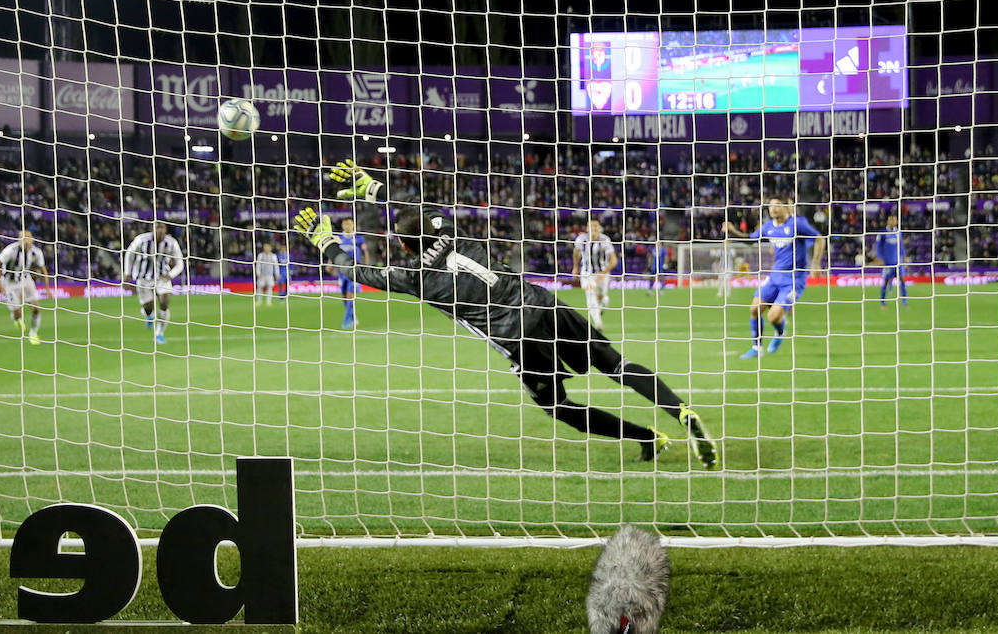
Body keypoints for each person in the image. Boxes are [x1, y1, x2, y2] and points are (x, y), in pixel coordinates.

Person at [294, 159, 717, 467]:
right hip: (542, 303)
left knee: (559, 406)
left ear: (404, 247)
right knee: (617, 364)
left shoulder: (413, 276)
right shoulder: (452, 231)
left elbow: (354, 269)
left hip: (517, 337)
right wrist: (372, 188)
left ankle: (647, 436)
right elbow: (417, 203)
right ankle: (679, 413)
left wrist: (324, 239)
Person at [727, 199, 826, 359]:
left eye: (777, 204)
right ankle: (756, 347)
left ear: (786, 208)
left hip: (794, 279)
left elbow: (819, 238)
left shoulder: (797, 224)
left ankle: (780, 332)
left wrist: (815, 263)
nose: (773, 208)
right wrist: (732, 231)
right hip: (775, 276)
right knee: (754, 308)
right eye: (771, 205)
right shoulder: (768, 227)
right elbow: (751, 240)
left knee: (773, 317)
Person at [123, 220, 184, 345]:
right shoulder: (141, 240)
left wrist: (170, 275)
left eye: (162, 227)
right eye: (157, 227)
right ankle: (148, 315)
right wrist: (127, 272)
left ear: (165, 229)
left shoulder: (172, 243)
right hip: (143, 278)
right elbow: (129, 254)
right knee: (149, 308)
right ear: (152, 228)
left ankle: (159, 334)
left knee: (164, 303)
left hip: (162, 278)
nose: (160, 230)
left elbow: (180, 263)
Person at [0, 229, 50, 344]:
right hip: (9, 282)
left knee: (36, 308)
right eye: (23, 238)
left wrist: (47, 288)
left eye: (28, 238)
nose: (26, 241)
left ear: (32, 239)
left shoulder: (36, 252)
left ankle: (33, 333)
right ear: (19, 240)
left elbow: (43, 271)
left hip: (26, 279)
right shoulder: (10, 250)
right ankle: (16, 318)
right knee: (17, 313)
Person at [573, 219, 618, 330]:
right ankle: (598, 323)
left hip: (602, 272)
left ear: (600, 228)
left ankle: (603, 303)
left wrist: (603, 273)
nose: (593, 228)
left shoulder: (605, 240)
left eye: (595, 225)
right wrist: (575, 267)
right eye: (590, 225)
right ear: (587, 228)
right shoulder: (581, 239)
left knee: (601, 297)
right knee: (590, 293)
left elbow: (613, 261)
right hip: (586, 272)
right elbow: (576, 252)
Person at [337, 217, 367, 328]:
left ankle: (346, 321)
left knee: (350, 295)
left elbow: (365, 252)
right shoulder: (339, 238)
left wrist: (365, 266)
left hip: (354, 270)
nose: (347, 226)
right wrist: (330, 263)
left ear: (353, 225)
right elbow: (335, 252)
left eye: (349, 224)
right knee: (344, 296)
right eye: (345, 224)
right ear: (342, 226)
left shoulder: (358, 238)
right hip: (342, 271)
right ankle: (353, 317)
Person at [874, 214, 909, 308]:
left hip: (898, 262)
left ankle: (905, 302)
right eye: (891, 220)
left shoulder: (899, 232)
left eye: (895, 220)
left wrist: (904, 259)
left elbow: (901, 246)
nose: (893, 222)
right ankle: (882, 302)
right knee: (885, 282)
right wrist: (880, 258)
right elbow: (878, 247)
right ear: (888, 221)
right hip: (887, 262)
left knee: (903, 281)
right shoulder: (882, 233)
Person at [254, 240, 279, 307]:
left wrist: (277, 273)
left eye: (267, 247)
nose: (266, 248)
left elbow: (276, 265)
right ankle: (259, 301)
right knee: (259, 287)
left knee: (270, 288)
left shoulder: (273, 256)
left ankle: (268, 301)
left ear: (270, 248)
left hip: (270, 275)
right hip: (262, 275)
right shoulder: (260, 255)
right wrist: (258, 272)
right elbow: (258, 264)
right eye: (265, 247)